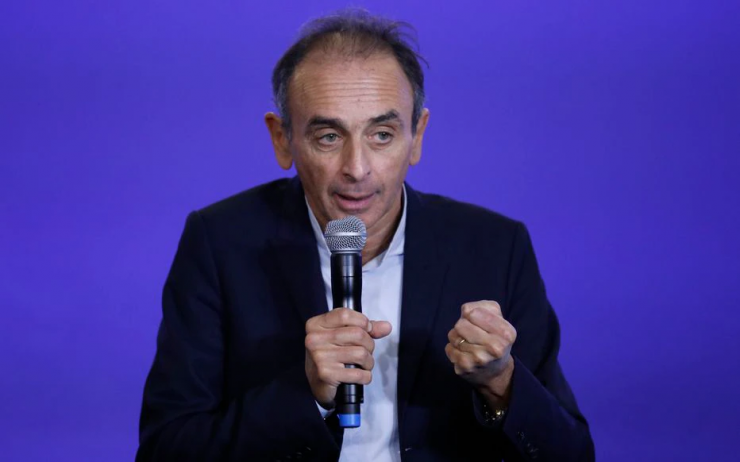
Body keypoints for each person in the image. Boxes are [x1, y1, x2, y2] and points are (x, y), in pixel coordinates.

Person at [136, 8, 595, 462]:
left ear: (417, 136)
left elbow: (573, 454)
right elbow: (164, 450)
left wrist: (501, 383)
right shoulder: (218, 243)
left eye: (381, 134)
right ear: (282, 139)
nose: (356, 169)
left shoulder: (496, 246)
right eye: (328, 137)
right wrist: (305, 394)